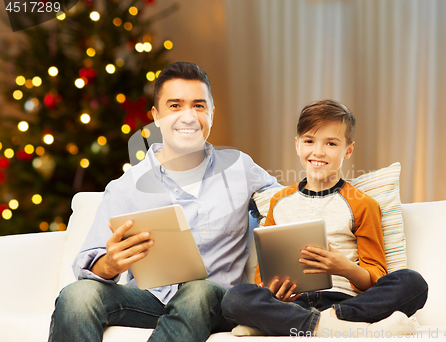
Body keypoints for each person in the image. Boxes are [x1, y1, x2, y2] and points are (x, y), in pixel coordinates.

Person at [48, 62, 278, 342]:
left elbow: (288, 205)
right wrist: (110, 264)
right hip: (150, 300)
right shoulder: (126, 186)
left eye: (198, 105)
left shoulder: (240, 168)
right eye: (175, 106)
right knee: (76, 295)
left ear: (211, 114)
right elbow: (91, 263)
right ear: (156, 116)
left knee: (197, 290)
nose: (189, 116)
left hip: (217, 302)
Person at [222, 100, 428, 338]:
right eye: (309, 141)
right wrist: (274, 291)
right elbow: (263, 279)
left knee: (412, 283)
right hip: (292, 304)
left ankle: (316, 322)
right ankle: (342, 329)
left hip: (345, 302)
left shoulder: (362, 203)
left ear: (348, 150)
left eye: (331, 143)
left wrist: (344, 267)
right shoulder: (279, 201)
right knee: (234, 298)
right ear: (297, 145)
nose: (318, 152)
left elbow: (376, 277)